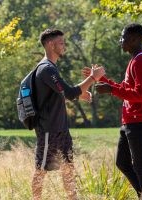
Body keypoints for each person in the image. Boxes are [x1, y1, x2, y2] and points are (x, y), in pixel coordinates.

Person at [83, 23, 142, 199]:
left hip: (140, 120)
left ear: (135, 39)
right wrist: (103, 80)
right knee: (122, 162)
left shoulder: (141, 60)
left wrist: (110, 90)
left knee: (141, 165)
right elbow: (124, 89)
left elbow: (140, 94)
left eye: (123, 37)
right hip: (131, 120)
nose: (120, 41)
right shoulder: (134, 60)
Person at [32, 29, 105, 200]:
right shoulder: (46, 69)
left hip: (62, 129)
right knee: (41, 169)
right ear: (50, 44)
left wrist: (80, 93)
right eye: (61, 43)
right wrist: (93, 78)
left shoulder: (52, 68)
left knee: (68, 167)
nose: (64, 46)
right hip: (49, 129)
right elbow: (70, 93)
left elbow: (62, 93)